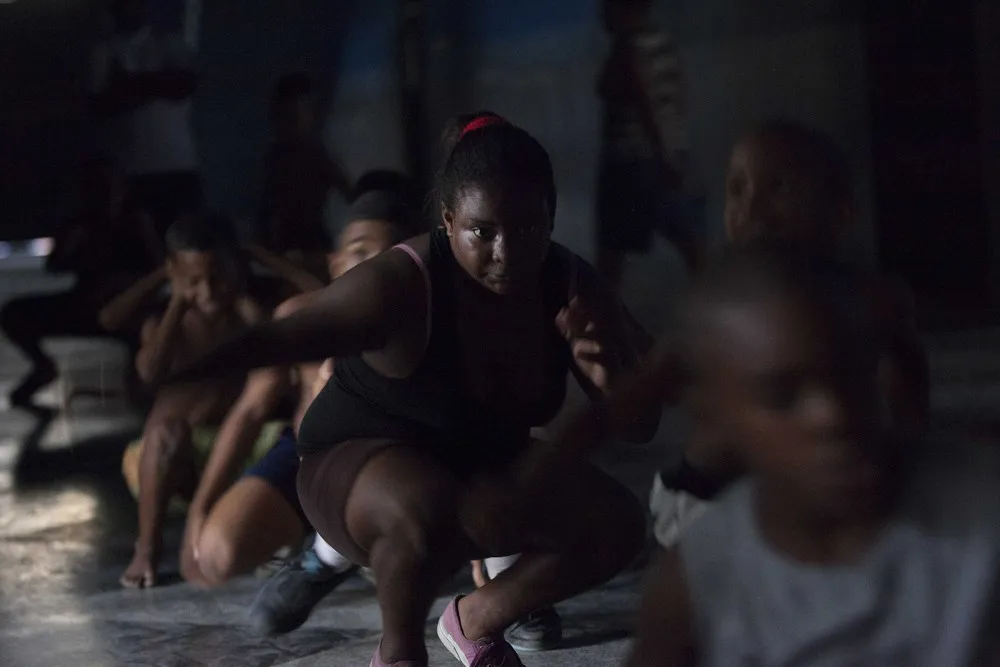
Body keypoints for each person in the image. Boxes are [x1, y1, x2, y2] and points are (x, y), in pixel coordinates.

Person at [160, 112, 660, 667]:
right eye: (483, 232)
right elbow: (286, 336)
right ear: (448, 220)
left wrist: (609, 379)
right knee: (423, 501)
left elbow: (643, 427)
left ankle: (474, 622)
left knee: (617, 524)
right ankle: (398, 652)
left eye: (527, 230)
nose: (507, 253)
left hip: (476, 467)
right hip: (352, 470)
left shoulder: (571, 285)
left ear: (551, 219)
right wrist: (175, 371)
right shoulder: (400, 281)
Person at [624, 248, 1000, 667]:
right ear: (715, 418)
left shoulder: (980, 513)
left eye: (852, 374)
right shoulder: (704, 578)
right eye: (782, 396)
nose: (833, 416)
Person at [645, 119, 929, 547]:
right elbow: (638, 396)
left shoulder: (873, 298)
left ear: (841, 212)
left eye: (780, 187)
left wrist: (912, 461)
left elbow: (907, 379)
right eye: (737, 190)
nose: (752, 208)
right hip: (709, 501)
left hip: (811, 493)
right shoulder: (725, 306)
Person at [175, 179, 422, 639]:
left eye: (389, 253)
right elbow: (250, 411)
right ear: (335, 262)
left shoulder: (426, 322)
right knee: (217, 554)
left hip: (395, 468)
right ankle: (322, 544)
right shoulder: (301, 316)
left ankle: (338, 551)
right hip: (307, 459)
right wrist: (200, 509)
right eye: (359, 251)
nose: (372, 264)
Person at [119, 212, 264, 589]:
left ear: (235, 269)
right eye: (194, 281)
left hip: (237, 454)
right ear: (175, 274)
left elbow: (281, 345)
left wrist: (247, 296)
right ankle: (148, 546)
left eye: (218, 277)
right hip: (171, 463)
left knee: (289, 433)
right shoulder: (165, 325)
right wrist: (176, 305)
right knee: (165, 432)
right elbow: (150, 373)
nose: (208, 290)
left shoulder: (247, 316)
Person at [0, 156, 161, 408]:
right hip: (84, 306)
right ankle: (42, 367)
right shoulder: (80, 225)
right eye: (96, 187)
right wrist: (71, 245)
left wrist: (125, 284)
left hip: (128, 306)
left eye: (109, 186)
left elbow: (160, 268)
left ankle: (142, 385)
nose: (104, 194)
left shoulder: (136, 222)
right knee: (13, 313)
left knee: (144, 332)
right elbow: (54, 265)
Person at [596, 0, 704, 291]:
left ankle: (603, 318)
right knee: (694, 250)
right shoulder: (662, 41)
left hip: (632, 162)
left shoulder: (629, 46)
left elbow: (633, 95)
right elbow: (674, 98)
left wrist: (665, 155)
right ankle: (718, 308)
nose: (601, 13)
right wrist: (674, 151)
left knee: (610, 264)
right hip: (669, 156)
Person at [88, 0, 201, 239]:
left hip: (178, 167)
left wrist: (130, 84)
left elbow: (185, 85)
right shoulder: (103, 51)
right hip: (129, 173)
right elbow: (103, 103)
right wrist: (159, 82)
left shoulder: (170, 44)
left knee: (188, 242)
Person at [257, 72, 353, 276]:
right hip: (282, 249)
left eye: (297, 116)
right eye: (286, 117)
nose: (291, 124)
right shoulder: (273, 159)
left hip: (314, 245)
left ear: (311, 115)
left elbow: (352, 194)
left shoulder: (318, 157)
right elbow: (268, 206)